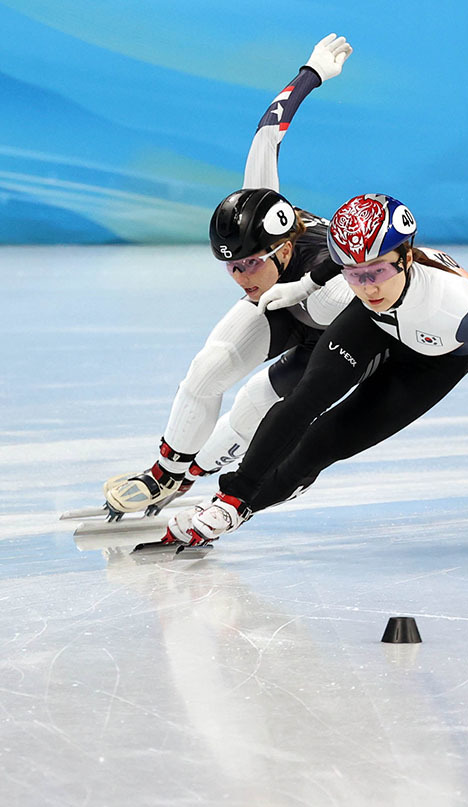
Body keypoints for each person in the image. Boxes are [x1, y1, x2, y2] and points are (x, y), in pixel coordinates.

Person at [165, 192, 468, 546]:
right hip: (375, 325)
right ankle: (230, 500)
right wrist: (303, 287)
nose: (367, 287)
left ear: (406, 258)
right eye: (354, 275)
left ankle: (242, 509)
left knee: (323, 443)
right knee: (305, 398)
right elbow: (335, 266)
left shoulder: (456, 312)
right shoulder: (364, 283)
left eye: (376, 272)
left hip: (432, 364)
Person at [103, 33, 354, 518]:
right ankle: (166, 476)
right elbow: (268, 131)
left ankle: (223, 486)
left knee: (253, 406)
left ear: (282, 250)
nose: (241, 278)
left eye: (250, 264)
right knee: (207, 369)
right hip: (288, 302)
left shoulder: (340, 275)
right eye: (231, 267)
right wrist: (311, 73)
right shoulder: (261, 207)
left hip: (339, 334)